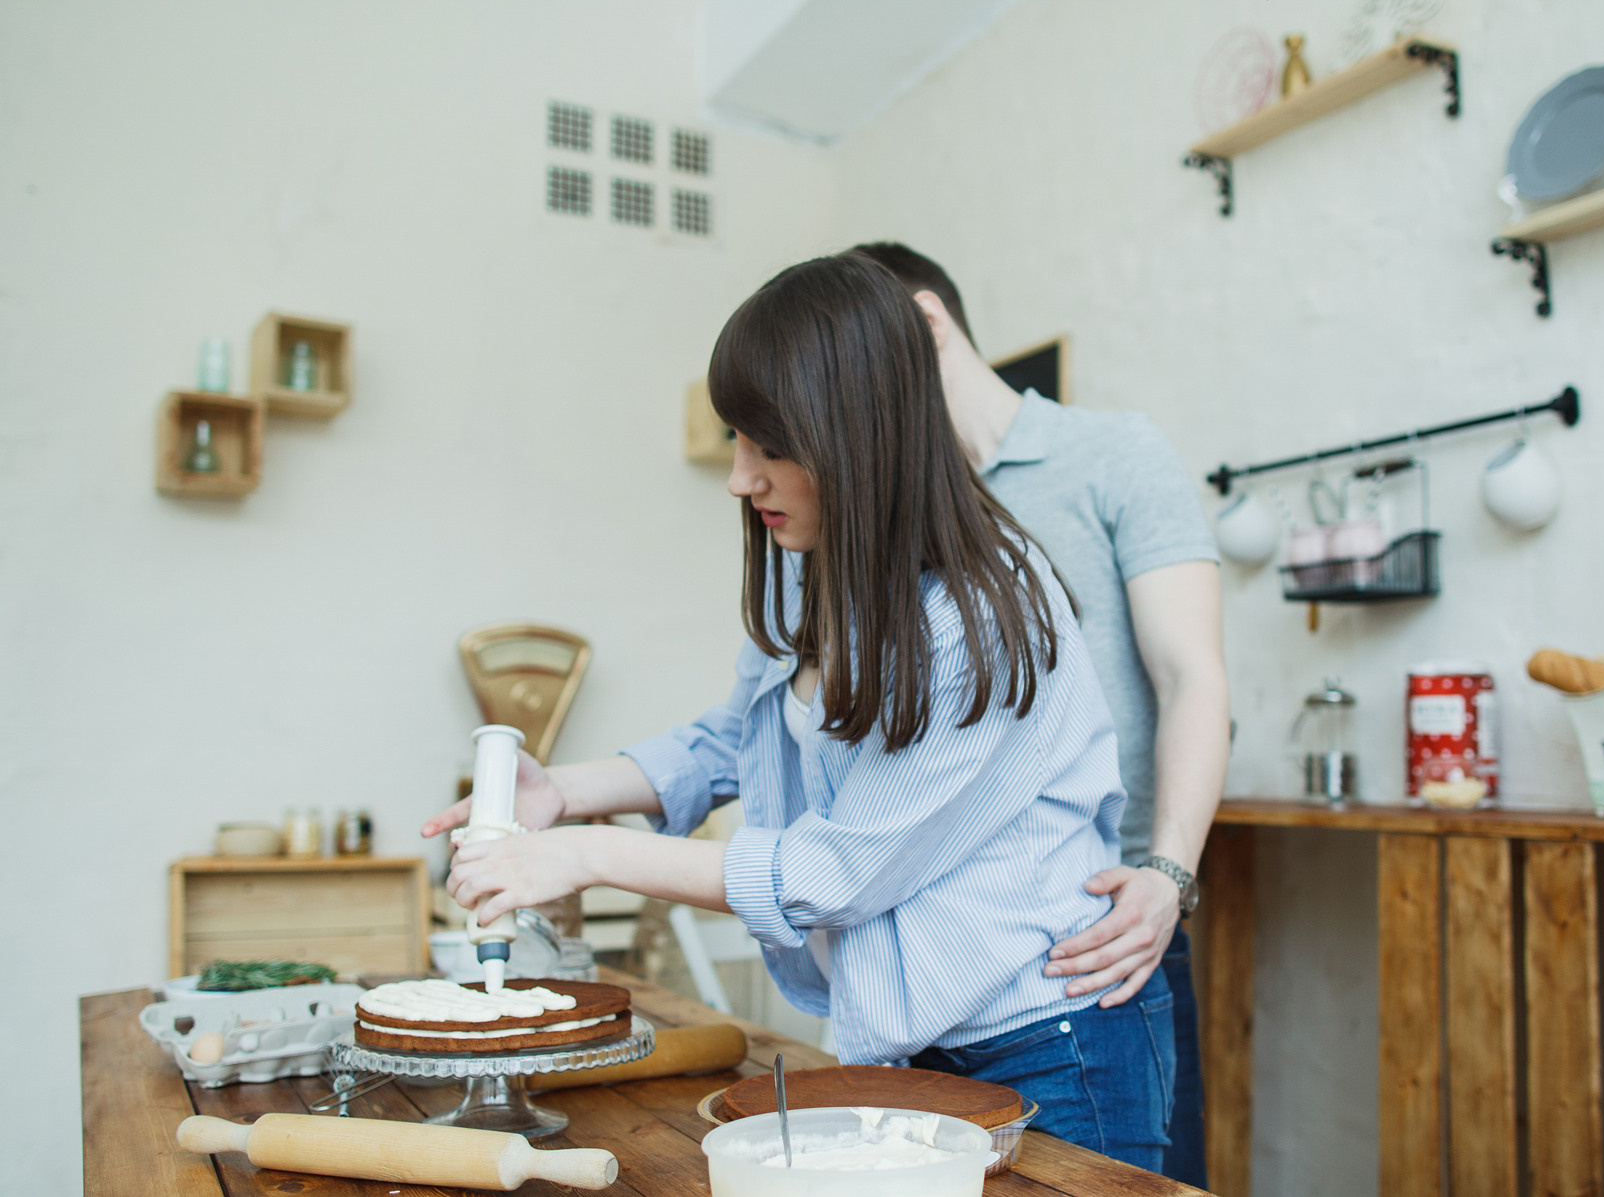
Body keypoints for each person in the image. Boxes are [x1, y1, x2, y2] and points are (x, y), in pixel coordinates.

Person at [424, 253, 1179, 1172]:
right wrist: (563, 792)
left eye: (770, 447)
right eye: (737, 439)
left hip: (1054, 1044)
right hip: (916, 1044)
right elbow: (740, 735)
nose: (740, 479)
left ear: (863, 435)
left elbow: (833, 871)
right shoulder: (816, 565)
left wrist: (584, 854)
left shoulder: (980, 616)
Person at [852, 242, 1228, 1189]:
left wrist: (1166, 875)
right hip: (947, 949)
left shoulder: (1114, 453)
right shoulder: (889, 508)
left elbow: (1192, 676)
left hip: (1109, 923)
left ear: (927, 323)